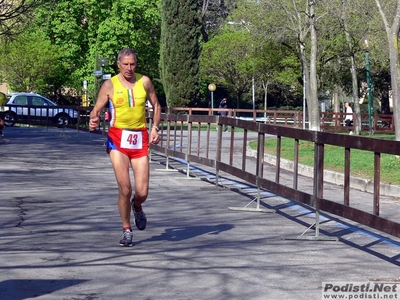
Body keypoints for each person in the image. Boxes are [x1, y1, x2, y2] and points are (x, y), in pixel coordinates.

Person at [89, 48, 161, 247]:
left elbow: (156, 105)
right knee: (125, 188)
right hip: (117, 139)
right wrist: (93, 119)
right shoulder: (109, 85)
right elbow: (96, 108)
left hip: (140, 139)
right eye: (125, 64)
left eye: (133, 64)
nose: (129, 68)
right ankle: (127, 229)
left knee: (142, 192)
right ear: (118, 65)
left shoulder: (144, 81)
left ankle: (137, 206)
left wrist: (155, 128)